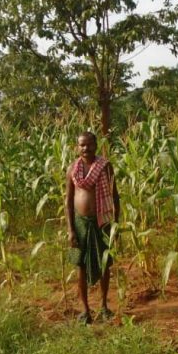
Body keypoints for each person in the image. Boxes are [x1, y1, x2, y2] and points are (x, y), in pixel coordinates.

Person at [65, 131, 120, 324]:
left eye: (89, 144)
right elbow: (68, 202)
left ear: (96, 145)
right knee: (80, 265)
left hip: (102, 223)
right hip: (80, 224)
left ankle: (104, 306)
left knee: (105, 264)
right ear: (77, 147)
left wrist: (115, 226)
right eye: (82, 145)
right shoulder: (72, 168)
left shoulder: (105, 167)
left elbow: (115, 197)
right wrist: (71, 229)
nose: (85, 148)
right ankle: (85, 310)